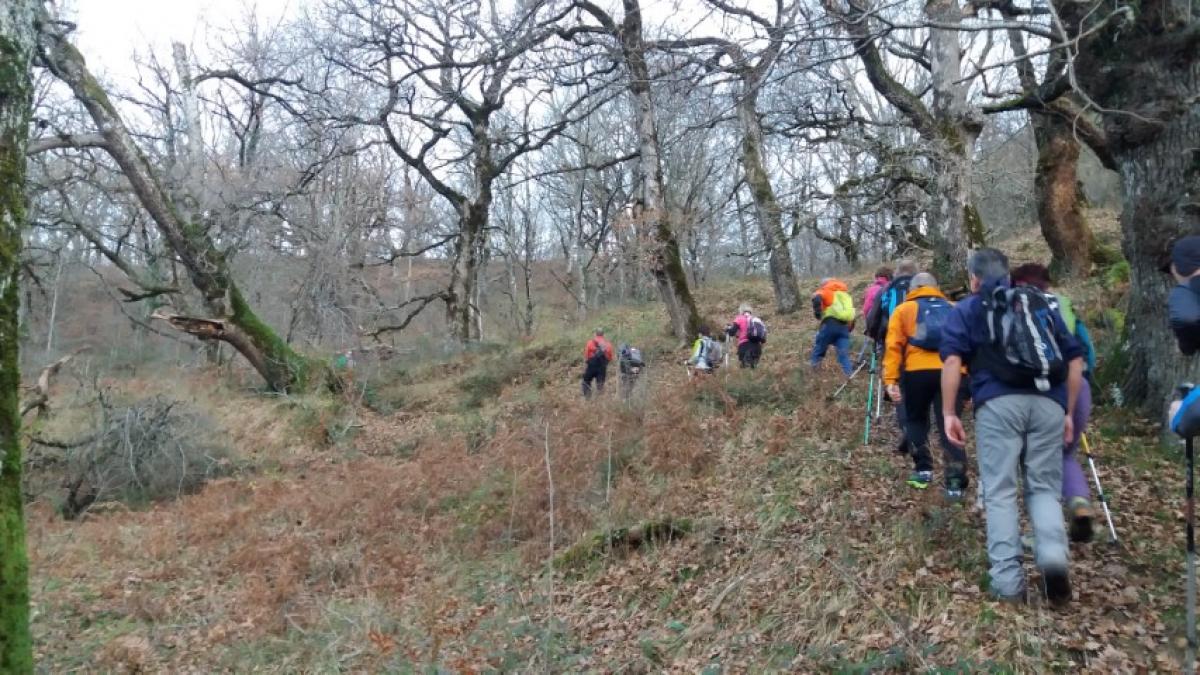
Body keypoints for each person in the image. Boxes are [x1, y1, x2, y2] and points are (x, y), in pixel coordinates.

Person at [941, 248, 1085, 605]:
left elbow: (953, 359)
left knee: (1001, 491)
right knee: (1043, 488)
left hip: (998, 404)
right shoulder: (1043, 303)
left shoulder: (969, 308)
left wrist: (949, 413)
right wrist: (1066, 411)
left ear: (974, 279)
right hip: (1049, 402)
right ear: (1007, 275)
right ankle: (1052, 556)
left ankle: (1008, 583)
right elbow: (1075, 359)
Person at [1011, 263, 1097, 542]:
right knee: (1065, 454)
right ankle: (1079, 504)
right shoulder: (1063, 303)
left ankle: (1043, 533)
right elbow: (1087, 349)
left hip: (1038, 390)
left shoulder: (1011, 305)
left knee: (1035, 461)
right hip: (1077, 385)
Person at [882, 273, 968, 497]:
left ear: (912, 289)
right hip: (952, 370)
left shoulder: (903, 310)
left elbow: (893, 347)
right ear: (935, 287)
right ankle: (955, 483)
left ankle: (923, 470)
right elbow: (967, 345)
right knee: (949, 423)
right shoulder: (955, 308)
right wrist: (966, 376)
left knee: (915, 419)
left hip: (916, 371)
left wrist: (890, 380)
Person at [867, 260, 919, 454]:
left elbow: (873, 319)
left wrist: (875, 336)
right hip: (921, 348)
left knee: (898, 390)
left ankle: (906, 428)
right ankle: (918, 428)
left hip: (894, 346)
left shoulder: (887, 290)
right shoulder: (924, 289)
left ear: (896, 273)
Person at [811, 278, 855, 375]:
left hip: (830, 325)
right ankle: (849, 376)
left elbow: (816, 298)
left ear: (825, 284)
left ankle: (814, 376)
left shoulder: (826, 290)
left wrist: (818, 313)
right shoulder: (846, 295)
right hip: (844, 328)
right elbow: (851, 314)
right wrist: (849, 329)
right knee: (843, 355)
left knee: (819, 349)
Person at [725, 304, 767, 369]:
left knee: (746, 369)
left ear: (741, 311)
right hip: (757, 348)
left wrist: (727, 329)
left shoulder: (739, 318)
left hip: (745, 347)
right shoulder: (756, 319)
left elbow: (732, 332)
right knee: (753, 370)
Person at [582, 328, 614, 398]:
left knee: (586, 381)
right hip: (602, 367)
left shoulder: (590, 342)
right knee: (600, 385)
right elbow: (610, 357)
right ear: (603, 334)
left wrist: (586, 365)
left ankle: (588, 399)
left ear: (595, 334)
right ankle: (599, 401)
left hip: (592, 366)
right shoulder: (608, 344)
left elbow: (586, 356)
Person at [861, 267, 893, 332]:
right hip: (887, 323)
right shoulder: (891, 289)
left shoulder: (870, 289)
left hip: (873, 323)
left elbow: (866, 308)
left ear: (876, 277)